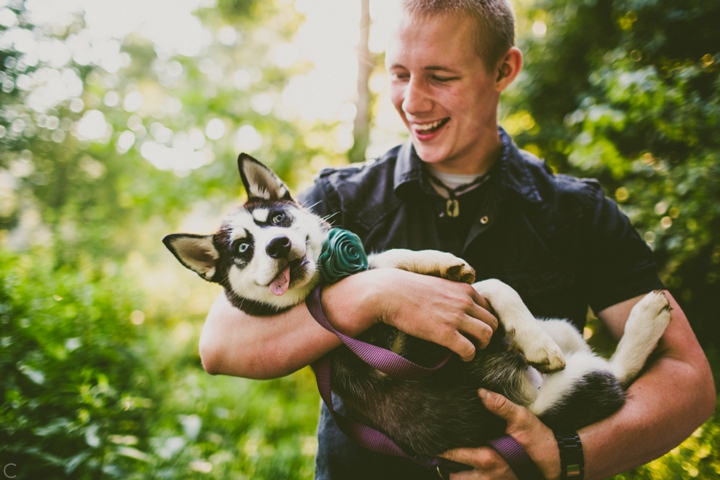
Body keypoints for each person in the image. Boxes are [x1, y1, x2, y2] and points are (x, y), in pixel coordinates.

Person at [199, 1, 715, 479]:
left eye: (440, 77)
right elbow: (221, 347)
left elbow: (687, 378)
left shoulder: (577, 212)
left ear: (504, 70)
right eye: (399, 74)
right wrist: (369, 295)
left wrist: (563, 457)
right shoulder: (335, 200)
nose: (411, 100)